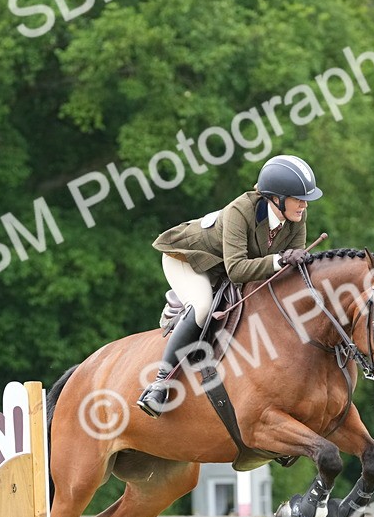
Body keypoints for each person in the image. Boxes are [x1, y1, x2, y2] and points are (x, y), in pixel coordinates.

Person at [137, 154, 322, 417]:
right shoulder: (240, 211)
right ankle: (159, 384)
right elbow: (237, 270)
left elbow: (287, 270)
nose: (304, 205)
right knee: (202, 307)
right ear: (276, 198)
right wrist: (281, 259)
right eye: (298, 199)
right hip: (187, 258)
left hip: (223, 266)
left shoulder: (296, 218)